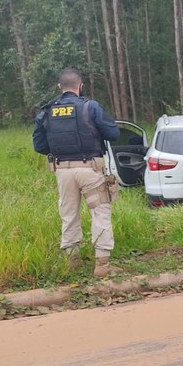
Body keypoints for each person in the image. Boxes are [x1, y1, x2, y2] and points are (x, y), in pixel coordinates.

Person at [32, 68, 121, 278]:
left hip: (62, 171)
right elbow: (113, 134)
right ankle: (102, 265)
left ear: (59, 87)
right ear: (80, 86)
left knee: (69, 214)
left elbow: (39, 145)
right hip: (90, 168)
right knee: (100, 212)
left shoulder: (47, 111)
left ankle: (72, 261)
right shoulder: (91, 107)